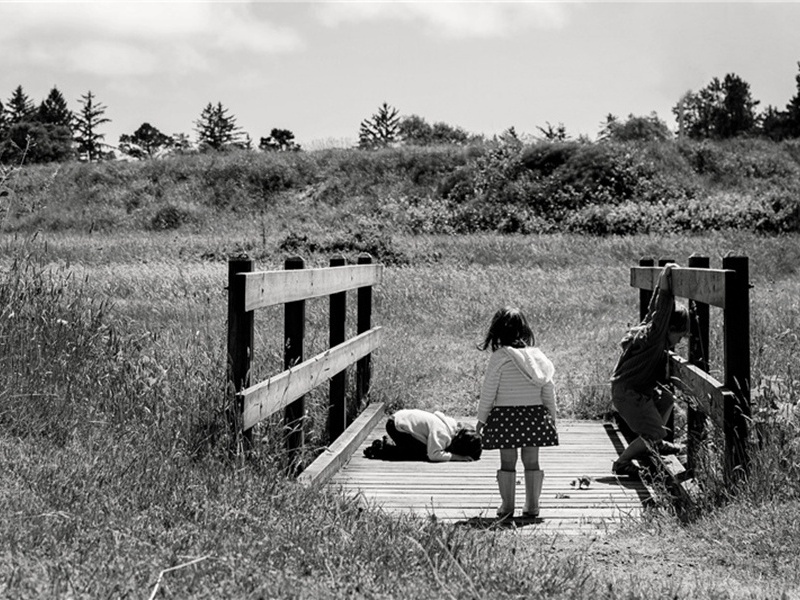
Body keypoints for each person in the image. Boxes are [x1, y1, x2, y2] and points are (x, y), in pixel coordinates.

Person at [476, 307, 558, 519]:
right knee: (532, 461)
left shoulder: (500, 358)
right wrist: (551, 415)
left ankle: (507, 506)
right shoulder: (537, 358)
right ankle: (532, 506)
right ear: (524, 330)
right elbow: (548, 388)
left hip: (506, 418)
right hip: (534, 416)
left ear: (496, 332)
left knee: (507, 462)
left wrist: (481, 418)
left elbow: (489, 391)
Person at [610, 263, 690, 479]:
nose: (680, 341)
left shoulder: (648, 328)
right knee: (652, 432)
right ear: (669, 329)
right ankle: (622, 462)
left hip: (630, 391)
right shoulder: (655, 338)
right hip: (630, 394)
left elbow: (653, 311)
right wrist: (665, 280)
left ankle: (656, 440)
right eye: (680, 335)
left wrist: (660, 285)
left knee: (665, 398)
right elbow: (662, 312)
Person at [363, 408, 482, 462]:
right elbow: (433, 455)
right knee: (419, 454)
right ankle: (383, 448)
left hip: (398, 419)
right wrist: (457, 457)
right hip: (396, 427)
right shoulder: (442, 433)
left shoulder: (448, 425)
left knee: (422, 447)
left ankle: (390, 443)